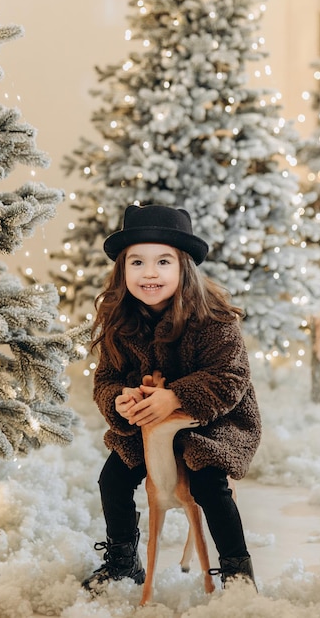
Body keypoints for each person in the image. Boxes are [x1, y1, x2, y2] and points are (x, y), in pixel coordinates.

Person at [82, 204, 261, 593]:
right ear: (122, 270)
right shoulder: (121, 322)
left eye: (163, 261)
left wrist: (176, 397)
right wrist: (120, 400)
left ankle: (237, 570)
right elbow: (106, 380)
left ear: (184, 267)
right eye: (137, 262)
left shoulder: (214, 320)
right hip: (147, 426)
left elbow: (230, 378)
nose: (150, 273)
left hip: (212, 423)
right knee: (111, 479)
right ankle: (122, 561)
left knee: (208, 483)